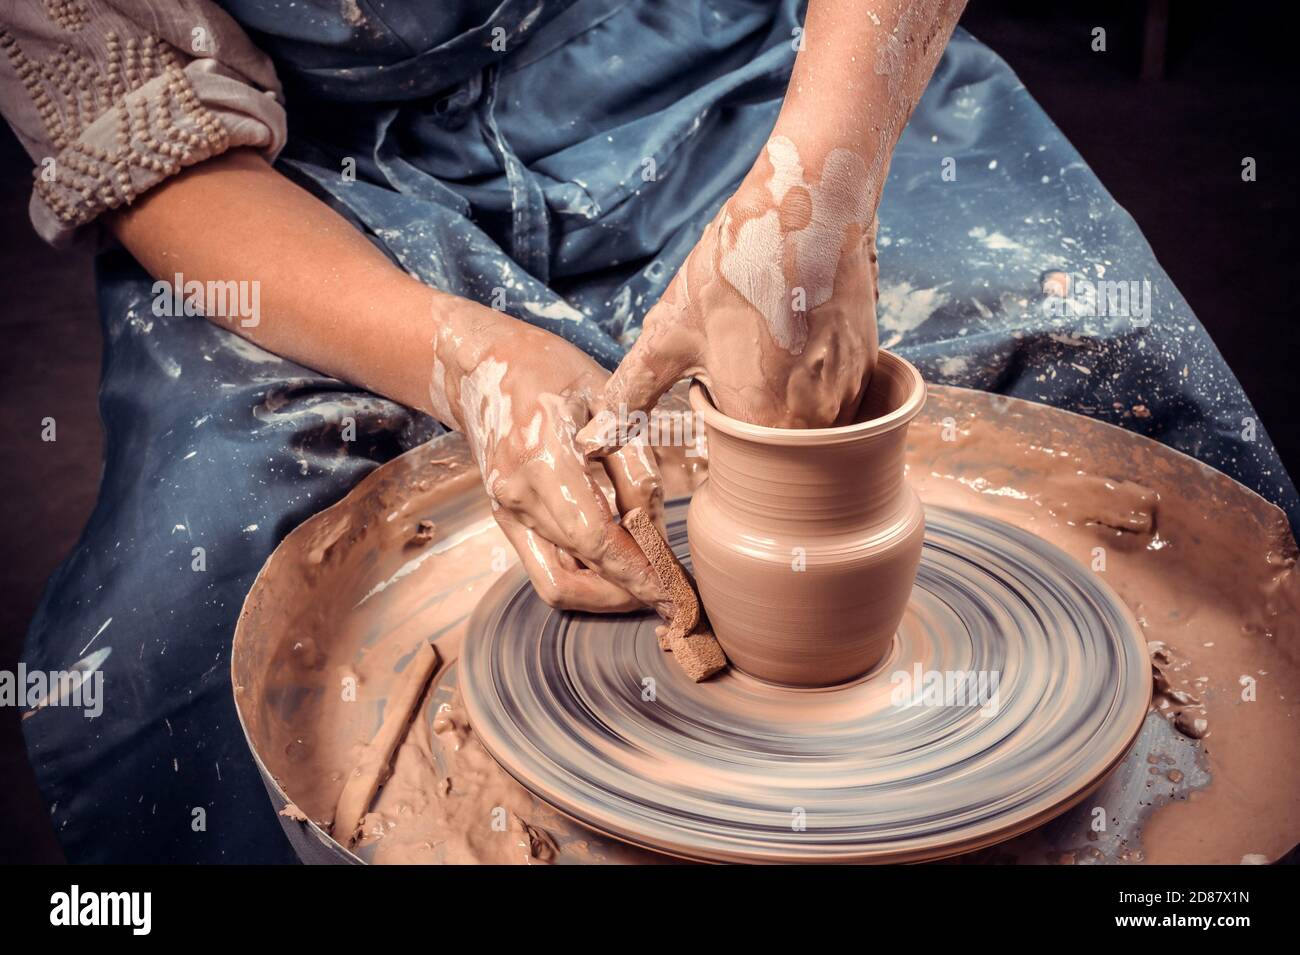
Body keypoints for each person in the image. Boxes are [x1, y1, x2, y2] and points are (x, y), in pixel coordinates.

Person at [5, 2, 1293, 863]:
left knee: (1105, 397)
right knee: (192, 636)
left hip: (751, 70)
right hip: (310, 177)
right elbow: (146, 136)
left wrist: (820, 185)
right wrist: (464, 360)